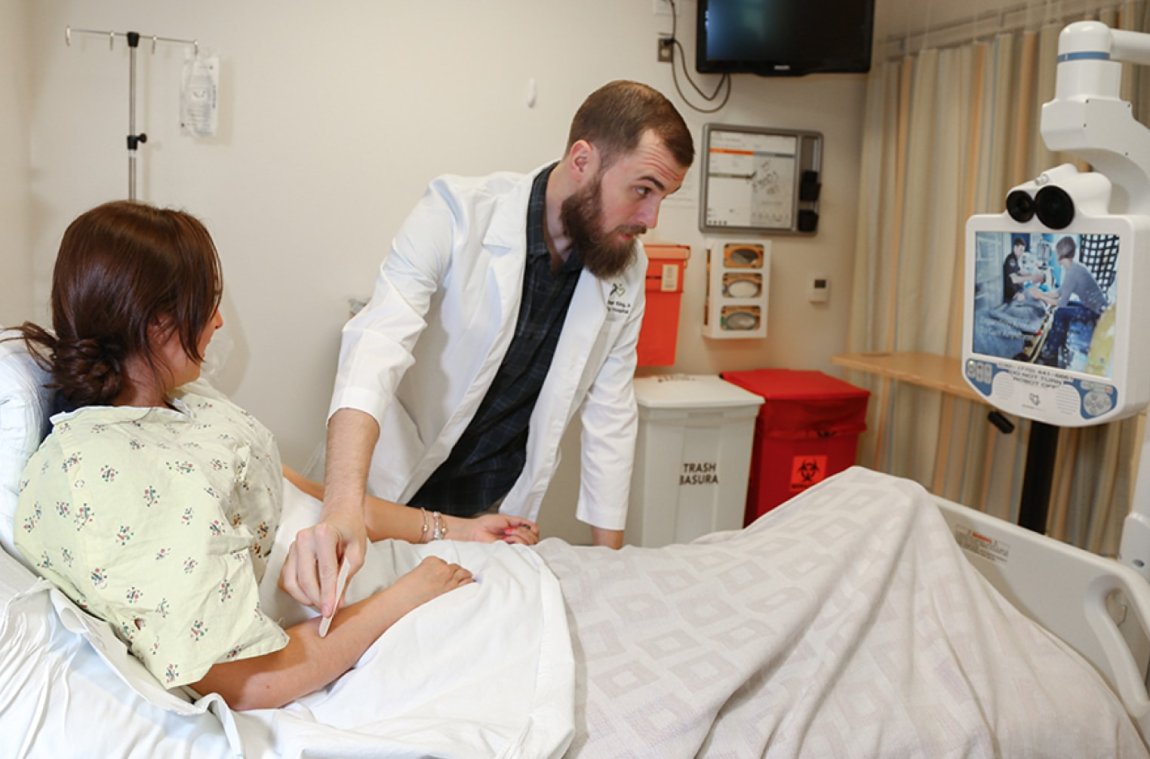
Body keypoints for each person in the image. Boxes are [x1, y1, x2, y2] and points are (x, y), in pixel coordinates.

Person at [10, 201, 535, 710]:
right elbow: (248, 684)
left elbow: (307, 495)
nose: (217, 321)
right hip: (341, 621)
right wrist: (406, 596)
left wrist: (452, 527)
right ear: (158, 325)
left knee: (524, 591)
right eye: (204, 304)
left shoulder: (179, 401)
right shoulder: (103, 477)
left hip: (364, 574)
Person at [282, 80, 695, 617]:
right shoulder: (456, 212)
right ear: (582, 160)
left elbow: (610, 411)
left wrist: (606, 562)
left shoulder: (623, 268)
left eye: (664, 196)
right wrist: (341, 508)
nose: (651, 219)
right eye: (643, 189)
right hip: (387, 488)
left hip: (487, 513)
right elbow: (375, 342)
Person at [1032, 235, 1108, 367]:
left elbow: (1060, 303)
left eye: (1056, 253)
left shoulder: (1073, 273)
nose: (1056, 257)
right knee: (1066, 309)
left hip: (1096, 312)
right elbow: (1058, 292)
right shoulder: (1074, 268)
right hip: (1093, 307)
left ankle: (1051, 351)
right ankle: (1061, 341)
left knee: (1060, 312)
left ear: (1061, 255)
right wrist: (1042, 293)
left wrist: (1041, 297)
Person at [1003, 235, 1027, 303]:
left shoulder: (1015, 260)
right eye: (1021, 250)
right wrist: (1015, 294)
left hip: (1015, 290)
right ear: (1015, 248)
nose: (1022, 253)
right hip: (1010, 293)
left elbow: (1019, 271)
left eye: (1023, 251)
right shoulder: (1011, 260)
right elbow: (1013, 279)